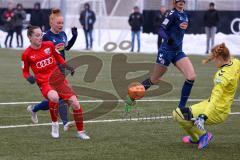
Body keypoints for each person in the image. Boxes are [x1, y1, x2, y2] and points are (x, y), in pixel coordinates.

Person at [125, 0, 195, 112]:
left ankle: (181, 108)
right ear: (174, 2)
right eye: (178, 0)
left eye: (183, 0)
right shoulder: (172, 14)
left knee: (191, 77)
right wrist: (168, 39)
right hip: (166, 51)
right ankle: (131, 97)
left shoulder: (184, 15)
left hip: (178, 52)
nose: (181, 2)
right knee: (155, 79)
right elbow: (161, 30)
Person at [22, 25, 90, 139]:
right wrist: (29, 77)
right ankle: (54, 125)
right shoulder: (27, 54)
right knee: (54, 97)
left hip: (58, 79)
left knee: (75, 103)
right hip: (44, 82)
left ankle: (81, 132)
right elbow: (25, 71)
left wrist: (68, 67)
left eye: (41, 35)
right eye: (37, 35)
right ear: (30, 37)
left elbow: (58, 58)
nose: (40, 37)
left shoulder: (49, 45)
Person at [173, 43, 240, 149]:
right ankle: (195, 139)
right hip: (219, 106)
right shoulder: (235, 62)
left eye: (214, 58)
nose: (213, 60)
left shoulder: (221, 76)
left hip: (217, 111)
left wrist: (203, 116)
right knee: (179, 113)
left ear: (219, 57)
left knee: (178, 114)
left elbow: (215, 99)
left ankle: (204, 135)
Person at [27, 9, 78, 131]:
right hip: (50, 71)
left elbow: (67, 47)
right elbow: (36, 50)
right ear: (51, 23)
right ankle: (65, 123)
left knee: (57, 97)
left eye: (62, 23)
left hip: (61, 69)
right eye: (58, 23)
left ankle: (34, 109)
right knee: (61, 97)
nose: (60, 25)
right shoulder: (46, 37)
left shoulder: (63, 34)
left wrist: (75, 36)